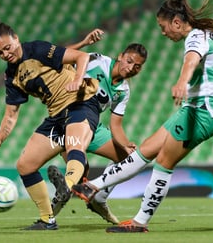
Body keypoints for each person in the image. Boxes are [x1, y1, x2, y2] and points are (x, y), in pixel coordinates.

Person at [71, 0, 213, 233]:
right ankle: (92, 186)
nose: (163, 33)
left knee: (164, 162)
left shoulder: (194, 38)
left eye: (163, 27)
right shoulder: (207, 33)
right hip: (194, 109)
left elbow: (191, 61)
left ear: (176, 22)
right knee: (146, 150)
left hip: (203, 112)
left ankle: (139, 222)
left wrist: (182, 82)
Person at [0, 18, 100, 230]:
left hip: (79, 104)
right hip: (56, 115)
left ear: (16, 38)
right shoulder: (11, 76)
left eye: (7, 48)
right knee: (25, 166)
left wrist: (77, 78)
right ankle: (48, 219)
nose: (5, 54)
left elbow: (82, 56)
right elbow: (11, 114)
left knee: (75, 146)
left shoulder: (37, 49)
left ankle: (68, 185)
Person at [48, 29, 148, 224]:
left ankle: (99, 197)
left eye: (137, 66)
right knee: (77, 172)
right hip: (69, 120)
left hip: (93, 126)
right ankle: (50, 216)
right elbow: (62, 57)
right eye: (129, 61)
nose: (131, 68)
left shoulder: (123, 91)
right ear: (120, 56)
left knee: (129, 158)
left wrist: (126, 145)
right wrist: (84, 43)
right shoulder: (98, 60)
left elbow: (116, 125)